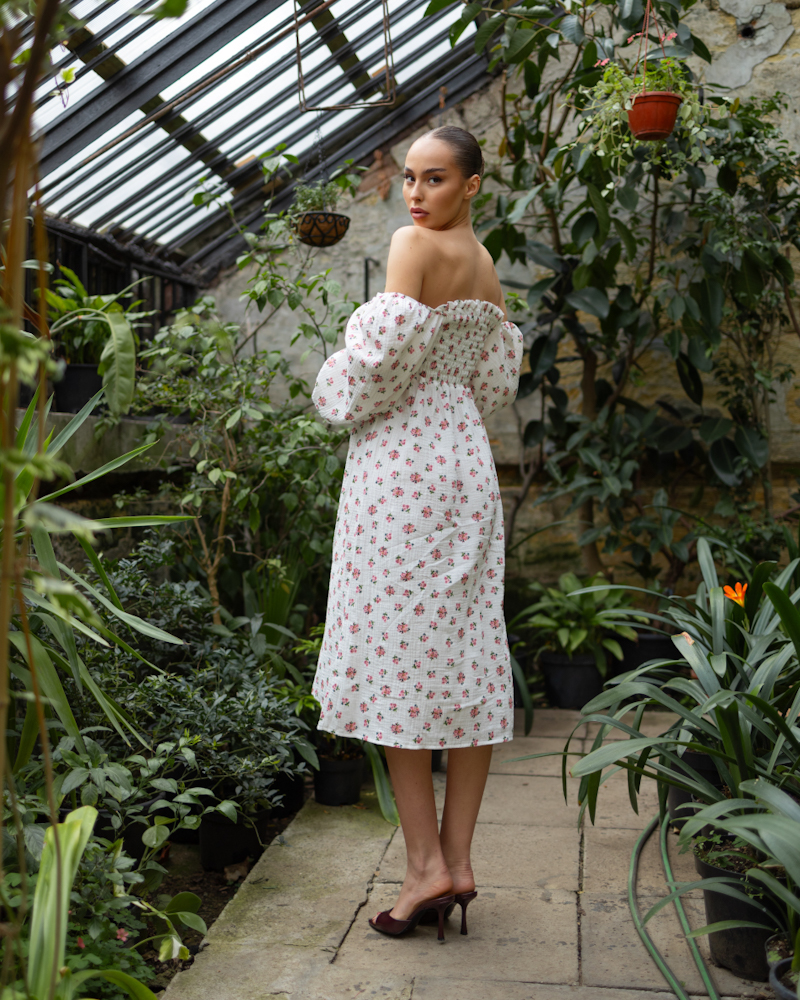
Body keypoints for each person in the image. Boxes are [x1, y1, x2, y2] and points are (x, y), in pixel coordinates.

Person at [311, 125, 523, 942]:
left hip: (402, 472)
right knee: (466, 654)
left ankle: (424, 868)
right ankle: (457, 863)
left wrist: (335, 382)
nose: (415, 194)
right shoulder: (486, 266)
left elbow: (371, 375)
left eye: (435, 179)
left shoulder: (410, 248)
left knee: (397, 665)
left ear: (472, 185)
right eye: (409, 178)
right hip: (465, 464)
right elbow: (493, 384)